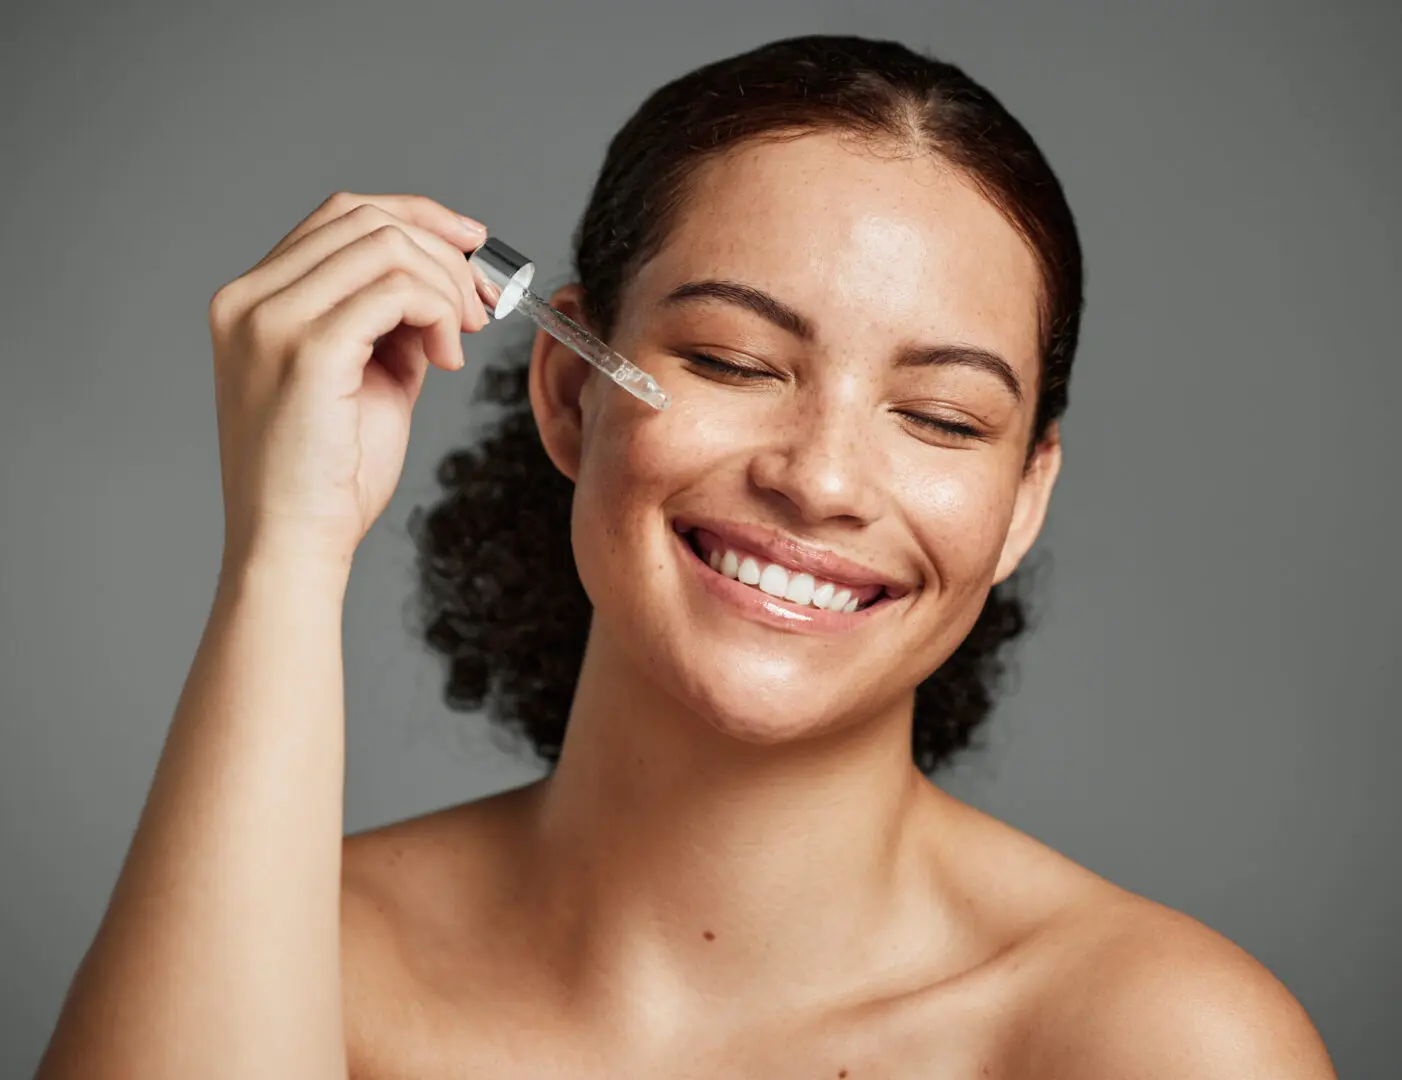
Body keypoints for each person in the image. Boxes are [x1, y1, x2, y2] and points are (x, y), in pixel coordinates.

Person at [38, 35, 1335, 1079]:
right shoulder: (284, 962)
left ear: (1019, 503)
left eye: (940, 419)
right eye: (729, 361)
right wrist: (285, 554)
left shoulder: (1156, 1042)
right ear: (566, 389)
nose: (818, 479)